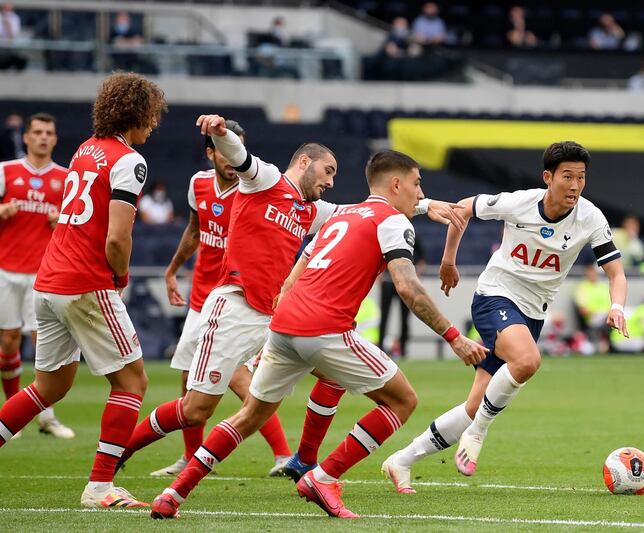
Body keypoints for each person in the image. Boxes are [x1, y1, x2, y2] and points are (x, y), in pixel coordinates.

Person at [114, 113, 462, 478]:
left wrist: (423, 205)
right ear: (304, 162)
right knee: (195, 409)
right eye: (328, 171)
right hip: (235, 308)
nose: (331, 181)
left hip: (278, 320)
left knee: (332, 375)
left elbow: (364, 211)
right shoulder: (266, 181)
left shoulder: (310, 211)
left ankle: (303, 459)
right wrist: (220, 134)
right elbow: (241, 157)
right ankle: (124, 450)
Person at [149, 150, 486, 519]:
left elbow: (297, 269)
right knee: (402, 401)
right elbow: (407, 287)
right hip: (324, 329)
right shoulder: (391, 221)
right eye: (417, 184)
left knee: (248, 416)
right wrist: (454, 336)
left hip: (281, 326)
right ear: (395, 184)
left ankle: (173, 495)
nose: (419, 193)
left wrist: (284, 307)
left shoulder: (343, 216)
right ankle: (323, 477)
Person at [0, 72, 168, 509]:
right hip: (85, 283)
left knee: (49, 386)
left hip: (47, 283)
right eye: (153, 115)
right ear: (139, 112)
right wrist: (119, 279)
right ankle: (101, 487)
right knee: (132, 381)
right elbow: (118, 240)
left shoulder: (84, 150)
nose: (155, 124)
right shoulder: (130, 161)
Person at [382, 141, 629, 491]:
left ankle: (401, 460)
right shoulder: (520, 203)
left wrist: (616, 307)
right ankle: (479, 433)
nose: (575, 185)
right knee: (527, 361)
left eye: (581, 177)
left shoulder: (590, 217)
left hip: (531, 315)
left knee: (473, 405)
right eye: (567, 177)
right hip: (494, 296)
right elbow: (461, 210)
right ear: (548, 177)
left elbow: (616, 274)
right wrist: (448, 260)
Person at [137, 120, 293, 478]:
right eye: (222, 149)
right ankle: (190, 455)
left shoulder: (256, 187)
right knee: (189, 381)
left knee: (241, 379)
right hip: (201, 298)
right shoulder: (198, 184)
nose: (229, 156)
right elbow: (195, 231)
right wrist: (173, 269)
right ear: (211, 153)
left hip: (238, 299)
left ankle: (284, 454)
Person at [0, 112, 73, 439]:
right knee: (8, 341)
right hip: (5, 270)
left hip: (42, 274)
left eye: (49, 132)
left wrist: (62, 220)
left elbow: (77, 221)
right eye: (37, 132)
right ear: (27, 137)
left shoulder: (65, 177)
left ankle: (47, 416)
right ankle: (12, 414)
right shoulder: (7, 171)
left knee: (41, 343)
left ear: (55, 139)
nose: (43, 137)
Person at [379, 238, 425, 357]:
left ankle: (403, 349)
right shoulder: (387, 233)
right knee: (384, 316)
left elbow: (421, 258)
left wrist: (415, 276)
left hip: (405, 281)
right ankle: (380, 348)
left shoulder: (410, 233)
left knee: (404, 317)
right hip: (388, 281)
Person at [573, 263, 610, 352]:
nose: (592, 275)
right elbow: (583, 309)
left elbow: (610, 304)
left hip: (605, 315)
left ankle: (607, 344)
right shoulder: (582, 287)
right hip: (591, 317)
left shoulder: (603, 287)